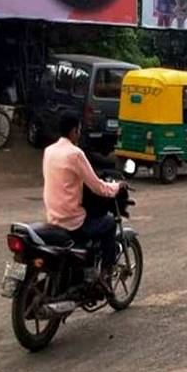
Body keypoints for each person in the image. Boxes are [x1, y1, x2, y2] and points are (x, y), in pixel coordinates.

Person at [43, 112, 123, 281]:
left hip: (53, 217)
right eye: (79, 130)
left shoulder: (49, 151)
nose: (79, 133)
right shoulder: (75, 154)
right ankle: (105, 275)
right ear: (74, 132)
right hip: (72, 221)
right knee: (108, 223)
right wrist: (117, 187)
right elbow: (98, 186)